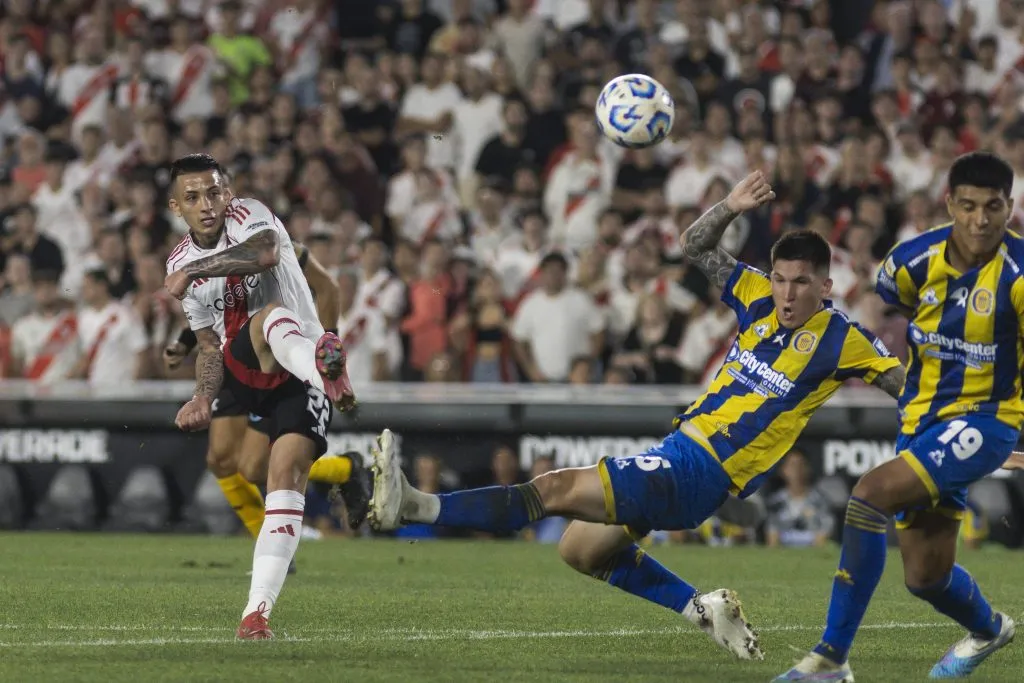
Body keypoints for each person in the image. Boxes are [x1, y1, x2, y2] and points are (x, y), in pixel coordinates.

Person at [366, 171, 906, 661]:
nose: (787, 293)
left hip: (704, 470)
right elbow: (695, 245)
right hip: (676, 451)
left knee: (552, 489)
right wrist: (730, 206)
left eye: (802, 283)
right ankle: (702, 609)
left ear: (826, 287)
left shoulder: (844, 339)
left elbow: (905, 387)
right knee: (579, 549)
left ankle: (416, 507)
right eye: (781, 279)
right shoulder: (756, 295)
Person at [778, 152, 1021, 682]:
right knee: (926, 576)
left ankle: (830, 660)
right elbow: (881, 305)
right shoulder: (911, 260)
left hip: (987, 420)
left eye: (994, 207)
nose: (982, 220)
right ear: (950, 205)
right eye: (970, 206)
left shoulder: (1020, 276)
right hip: (921, 422)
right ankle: (989, 628)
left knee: (870, 494)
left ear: (1010, 207)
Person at [163, 153, 356, 641]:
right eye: (192, 198)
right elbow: (208, 345)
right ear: (176, 206)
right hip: (245, 367)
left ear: (227, 193)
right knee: (233, 461)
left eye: (213, 192)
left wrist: (198, 270)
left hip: (298, 367)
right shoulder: (177, 263)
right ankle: (329, 373)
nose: (207, 204)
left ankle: (256, 614)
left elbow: (266, 253)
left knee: (281, 478)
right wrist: (202, 397)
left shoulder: (250, 215)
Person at [164, 238, 371, 554]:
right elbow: (211, 311)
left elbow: (327, 288)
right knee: (224, 460)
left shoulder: (270, 239)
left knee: (256, 467)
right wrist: (184, 342)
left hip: (275, 356)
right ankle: (271, 537)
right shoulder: (199, 258)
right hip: (231, 360)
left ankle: (340, 475)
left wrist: (325, 345)